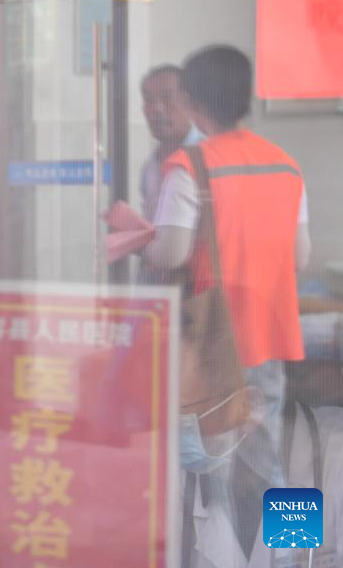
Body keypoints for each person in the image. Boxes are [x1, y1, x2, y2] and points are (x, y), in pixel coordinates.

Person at [142, 45, 310, 371]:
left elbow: (171, 255)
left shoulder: (190, 165)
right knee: (262, 405)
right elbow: (298, 258)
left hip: (212, 336)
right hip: (269, 336)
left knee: (208, 408)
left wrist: (141, 243)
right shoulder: (286, 165)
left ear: (190, 101)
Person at [177, 329, 342, 568]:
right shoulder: (177, 479)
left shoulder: (335, 456)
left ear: (249, 406)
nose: (181, 431)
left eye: (191, 415)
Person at [137, 65, 203, 284]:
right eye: (148, 100)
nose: (156, 109)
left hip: (197, 290)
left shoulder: (207, 158)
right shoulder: (150, 166)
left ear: (189, 103)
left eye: (167, 98)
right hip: (155, 287)